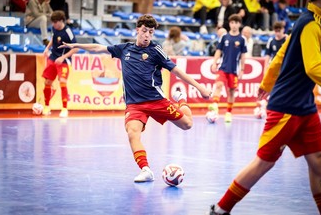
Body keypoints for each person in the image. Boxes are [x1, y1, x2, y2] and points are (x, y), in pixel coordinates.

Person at [209, 0, 321, 214]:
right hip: (287, 106)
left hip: (304, 106)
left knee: (319, 161)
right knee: (264, 162)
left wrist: (267, 83)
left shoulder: (308, 21)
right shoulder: (309, 25)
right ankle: (220, 209)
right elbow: (314, 68)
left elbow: (280, 55)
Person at [59, 14, 212, 182]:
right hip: (134, 105)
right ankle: (145, 170)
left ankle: (181, 99)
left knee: (187, 125)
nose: (147, 35)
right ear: (137, 30)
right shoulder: (124, 49)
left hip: (156, 100)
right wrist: (76, 45)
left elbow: (176, 71)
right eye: (144, 31)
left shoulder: (155, 50)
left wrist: (199, 87)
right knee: (132, 133)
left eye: (151, 32)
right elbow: (98, 48)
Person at [208, 14, 247, 123]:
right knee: (219, 85)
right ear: (229, 24)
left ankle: (229, 113)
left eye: (236, 23)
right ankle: (215, 105)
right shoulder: (224, 37)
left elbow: (243, 56)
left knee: (231, 92)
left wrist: (242, 70)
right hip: (223, 68)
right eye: (232, 23)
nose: (234, 25)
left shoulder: (242, 39)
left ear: (239, 24)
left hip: (234, 70)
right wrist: (214, 63)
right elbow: (218, 51)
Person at [42, 10, 78, 118]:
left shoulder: (68, 32)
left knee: (62, 82)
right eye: (52, 22)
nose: (53, 25)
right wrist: (47, 48)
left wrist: (63, 57)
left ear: (61, 21)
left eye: (55, 22)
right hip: (52, 58)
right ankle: (47, 106)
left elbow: (76, 48)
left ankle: (64, 109)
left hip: (64, 61)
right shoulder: (54, 29)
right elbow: (53, 39)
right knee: (47, 82)